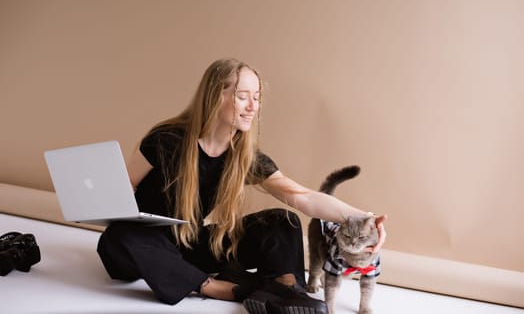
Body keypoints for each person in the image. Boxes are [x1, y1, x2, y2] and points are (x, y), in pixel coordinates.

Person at [96, 58, 387, 314]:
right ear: (214, 97)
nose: (252, 107)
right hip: (150, 247)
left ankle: (284, 290)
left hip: (194, 245)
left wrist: (364, 218)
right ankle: (220, 288)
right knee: (118, 236)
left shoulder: (243, 156)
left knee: (283, 220)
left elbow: (304, 198)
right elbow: (122, 190)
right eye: (243, 96)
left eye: (257, 98)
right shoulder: (165, 140)